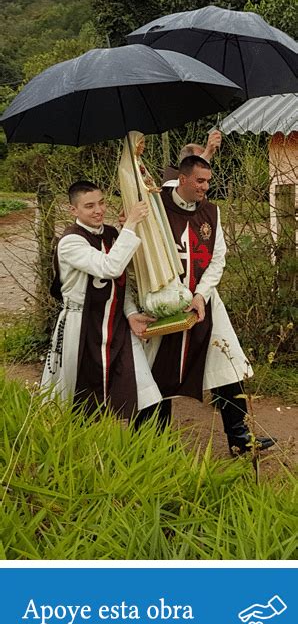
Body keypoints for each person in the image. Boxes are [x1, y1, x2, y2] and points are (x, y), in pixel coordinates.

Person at [146, 155, 275, 454]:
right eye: (200, 181)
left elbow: (217, 259)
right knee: (154, 373)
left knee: (229, 367)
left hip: (205, 301)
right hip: (164, 305)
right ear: (183, 179)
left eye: (208, 181)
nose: (206, 187)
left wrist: (201, 294)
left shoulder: (211, 213)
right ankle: (151, 446)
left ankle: (241, 440)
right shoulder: (155, 209)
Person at [41, 180, 162, 419]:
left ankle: (140, 450)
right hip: (83, 326)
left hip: (115, 325)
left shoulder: (111, 234)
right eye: (89, 206)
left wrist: (131, 313)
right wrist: (131, 225)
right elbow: (109, 268)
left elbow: (120, 284)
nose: (98, 210)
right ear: (73, 210)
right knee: (80, 399)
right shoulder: (70, 242)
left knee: (144, 392)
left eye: (102, 202)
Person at [118, 132, 185, 310]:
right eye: (141, 143)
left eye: (144, 142)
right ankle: (156, 285)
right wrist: (146, 190)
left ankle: (168, 281)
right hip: (142, 217)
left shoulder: (140, 164)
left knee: (161, 244)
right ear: (133, 144)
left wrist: (150, 189)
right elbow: (133, 190)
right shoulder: (126, 169)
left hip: (153, 211)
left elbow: (146, 184)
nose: (143, 146)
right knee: (150, 246)